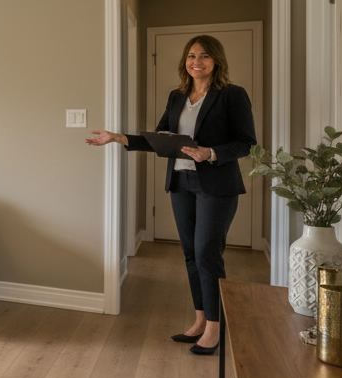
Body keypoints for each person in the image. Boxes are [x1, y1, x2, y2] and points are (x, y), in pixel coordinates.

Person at [86, 35, 256, 355]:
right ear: (185, 61)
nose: (197, 61)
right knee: (191, 253)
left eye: (204, 56)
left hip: (216, 187)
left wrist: (212, 153)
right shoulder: (177, 97)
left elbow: (247, 143)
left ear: (216, 60)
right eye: (191, 56)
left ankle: (216, 328)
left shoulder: (232, 95)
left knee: (207, 252)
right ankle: (200, 319)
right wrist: (117, 137)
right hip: (181, 183)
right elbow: (160, 138)